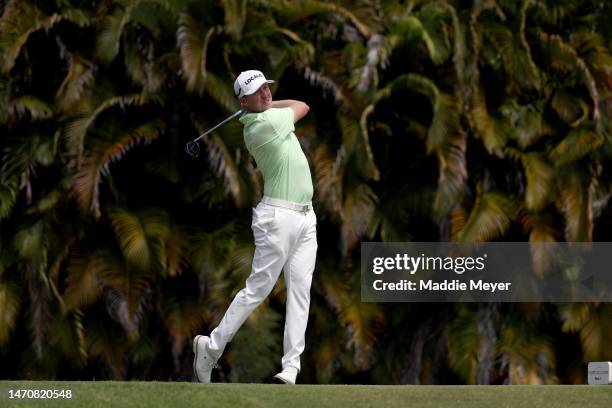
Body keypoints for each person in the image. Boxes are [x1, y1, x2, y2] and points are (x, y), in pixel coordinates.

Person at [193, 70, 317, 385]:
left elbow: (291, 105)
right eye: (257, 91)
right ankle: (211, 346)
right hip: (278, 218)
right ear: (242, 101)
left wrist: (263, 102)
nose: (265, 94)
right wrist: (265, 107)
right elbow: (302, 105)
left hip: (305, 218)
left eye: (266, 88)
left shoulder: (265, 115)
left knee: (300, 293)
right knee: (258, 289)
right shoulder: (263, 126)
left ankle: (290, 368)